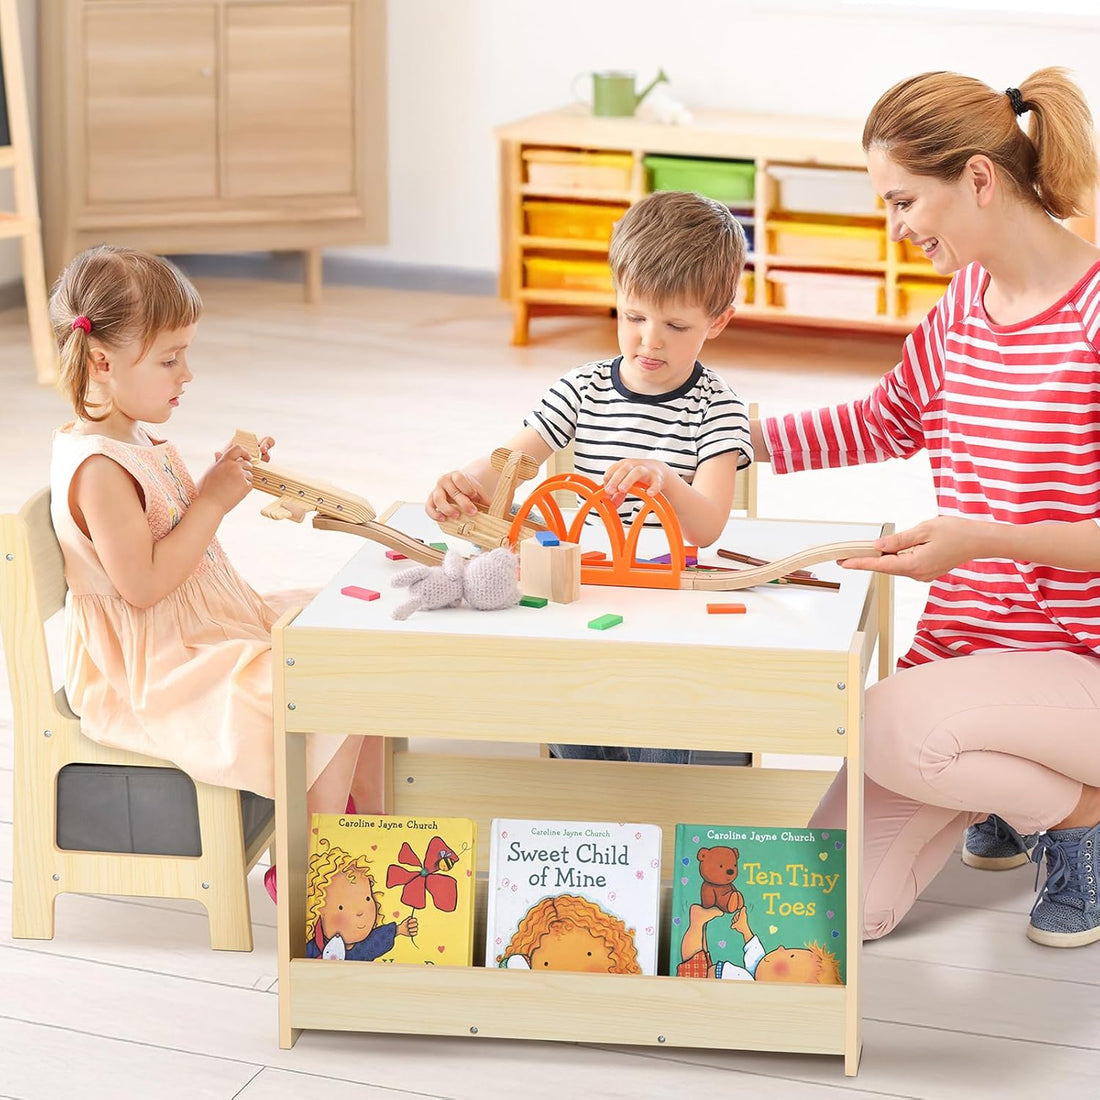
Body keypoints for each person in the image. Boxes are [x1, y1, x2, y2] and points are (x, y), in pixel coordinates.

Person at [752, 67, 1100, 948]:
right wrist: (727, 437)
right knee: (817, 913)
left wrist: (981, 538)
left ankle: (1079, 819)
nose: (897, 227)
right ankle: (1001, 784)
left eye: (904, 200)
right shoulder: (961, 311)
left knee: (885, 721)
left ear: (979, 179)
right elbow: (885, 418)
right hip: (969, 653)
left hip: (1082, 666)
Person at [47, 245, 382, 903]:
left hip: (204, 627)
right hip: (159, 667)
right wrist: (213, 502)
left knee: (346, 629)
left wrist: (217, 482)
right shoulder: (98, 468)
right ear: (102, 361)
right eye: (170, 359)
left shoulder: (133, 439)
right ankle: (311, 860)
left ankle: (362, 835)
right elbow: (140, 587)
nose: (187, 374)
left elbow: (171, 534)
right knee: (318, 688)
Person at [427, 190, 754, 765]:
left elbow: (707, 527)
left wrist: (666, 481)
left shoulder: (717, 408)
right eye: (634, 316)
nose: (650, 339)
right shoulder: (581, 388)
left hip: (667, 614)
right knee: (575, 732)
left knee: (662, 745)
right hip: (585, 597)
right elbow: (510, 460)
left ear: (718, 320)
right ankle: (590, 828)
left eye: (676, 325)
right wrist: (463, 483)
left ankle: (660, 812)